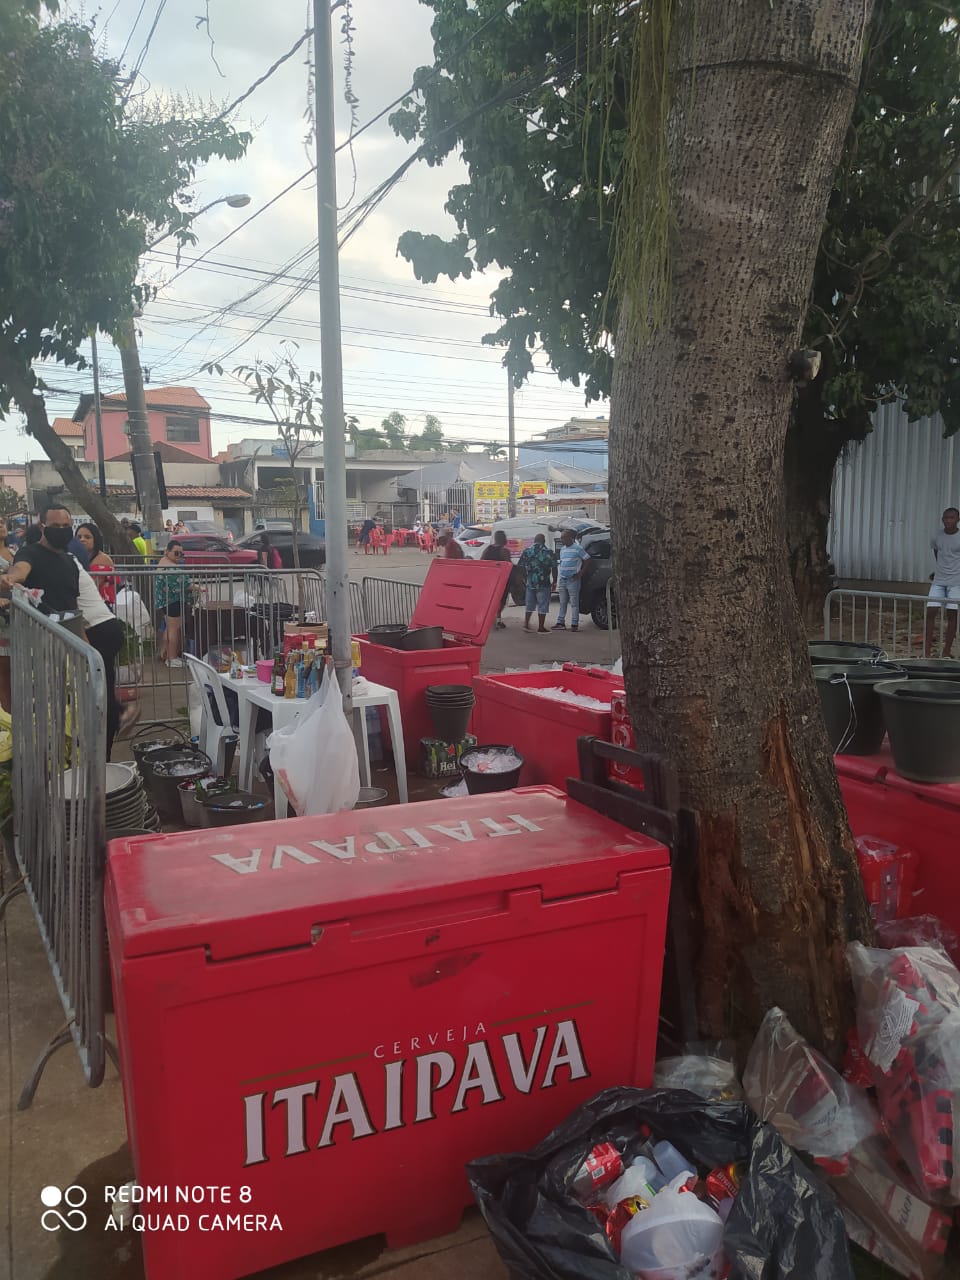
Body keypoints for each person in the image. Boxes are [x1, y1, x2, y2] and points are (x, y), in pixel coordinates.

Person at [72, 557, 125, 758]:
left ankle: (104, 756)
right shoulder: (71, 562)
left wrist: (86, 645)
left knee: (100, 696)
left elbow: (73, 607)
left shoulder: (64, 565)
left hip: (98, 631)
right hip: (103, 628)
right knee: (102, 692)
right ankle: (118, 714)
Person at [2, 505, 80, 615]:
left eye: (66, 525)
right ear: (41, 526)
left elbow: (74, 604)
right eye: (55, 526)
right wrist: (10, 578)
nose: (61, 530)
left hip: (68, 626)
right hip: (41, 629)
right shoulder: (29, 553)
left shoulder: (71, 562)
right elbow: (20, 569)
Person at [925, 506, 960, 657]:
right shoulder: (937, 536)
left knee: (952, 615)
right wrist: (939, 570)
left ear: (958, 519)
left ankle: (946, 651)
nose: (948, 520)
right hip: (938, 581)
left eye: (952, 518)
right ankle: (926, 652)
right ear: (942, 520)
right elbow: (937, 552)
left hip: (956, 582)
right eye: (946, 518)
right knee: (931, 612)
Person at [154, 540, 192, 666]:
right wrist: (198, 587)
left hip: (166, 601)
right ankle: (172, 658)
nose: (179, 556)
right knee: (173, 629)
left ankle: (165, 653)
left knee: (169, 628)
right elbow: (185, 584)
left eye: (181, 554)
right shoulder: (170, 567)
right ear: (167, 552)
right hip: (172, 600)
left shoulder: (164, 562)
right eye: (176, 553)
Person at [519, 533, 558, 633]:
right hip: (543, 583)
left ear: (534, 540)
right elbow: (554, 567)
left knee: (529, 604)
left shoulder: (527, 551)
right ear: (544, 541)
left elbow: (521, 567)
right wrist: (555, 580)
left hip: (530, 582)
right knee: (543, 605)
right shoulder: (548, 552)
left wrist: (524, 578)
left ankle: (526, 624)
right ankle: (541, 627)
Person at [554, 528, 589, 631]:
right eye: (561, 538)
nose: (562, 540)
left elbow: (588, 560)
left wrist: (580, 573)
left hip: (573, 579)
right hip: (563, 579)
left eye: (563, 538)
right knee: (562, 602)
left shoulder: (578, 548)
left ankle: (574, 624)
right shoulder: (563, 549)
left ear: (570, 538)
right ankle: (560, 622)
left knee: (574, 603)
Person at [75, 522, 116, 605]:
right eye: (79, 537)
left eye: (87, 537)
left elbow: (92, 586)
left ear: (95, 539)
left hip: (100, 604)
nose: (82, 540)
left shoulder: (102, 559)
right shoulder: (77, 556)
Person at [481, 529, 513, 628]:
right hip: (501, 580)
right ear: (503, 539)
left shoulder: (488, 549)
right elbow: (509, 565)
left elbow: (482, 561)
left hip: (489, 579)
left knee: (491, 600)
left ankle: (493, 619)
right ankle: (497, 620)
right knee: (501, 600)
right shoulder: (504, 551)